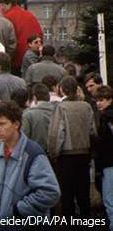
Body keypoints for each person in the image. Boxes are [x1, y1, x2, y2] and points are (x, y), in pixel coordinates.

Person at [0, 101, 60, 230]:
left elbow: (50, 192)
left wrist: (18, 211)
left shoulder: (32, 154)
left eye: (2, 124)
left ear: (16, 124)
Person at [48, 75, 97, 221]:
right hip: (84, 153)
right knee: (83, 193)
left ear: (62, 90)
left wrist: (54, 153)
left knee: (67, 195)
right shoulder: (86, 106)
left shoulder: (61, 108)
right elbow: (92, 131)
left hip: (66, 156)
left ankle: (71, 224)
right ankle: (86, 221)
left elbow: (56, 134)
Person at [0, 0, 43, 75]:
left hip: (16, 59)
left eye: (2, 5)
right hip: (33, 57)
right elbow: (40, 34)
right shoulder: (30, 14)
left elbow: (6, 39)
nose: (1, 8)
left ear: (9, 4)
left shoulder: (7, 18)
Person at [94, 85, 113, 230]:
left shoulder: (105, 119)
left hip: (108, 163)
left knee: (109, 199)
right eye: (97, 100)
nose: (99, 103)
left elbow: (102, 144)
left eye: (102, 100)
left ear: (110, 100)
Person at [21, 83, 55, 153]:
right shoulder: (57, 112)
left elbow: (24, 137)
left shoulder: (28, 114)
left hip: (35, 154)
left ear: (35, 98)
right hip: (55, 155)